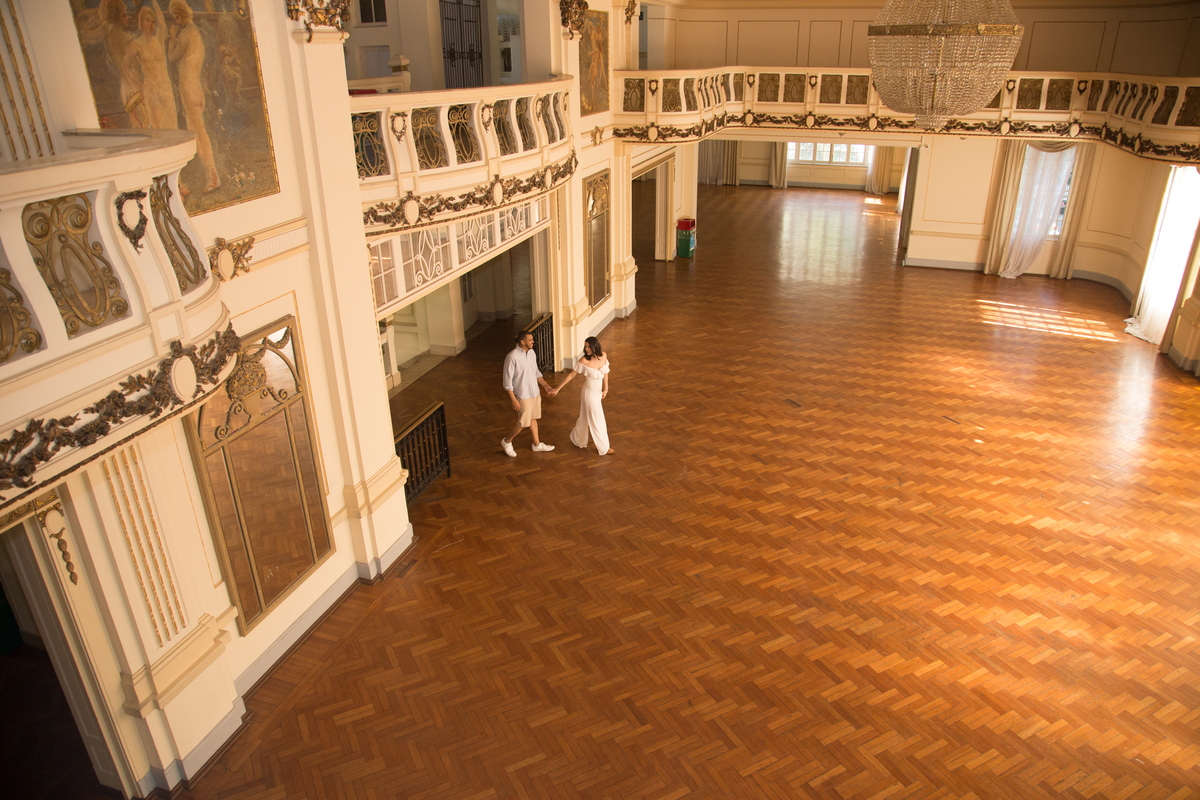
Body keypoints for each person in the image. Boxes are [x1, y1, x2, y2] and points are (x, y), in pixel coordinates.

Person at [167, 0, 220, 194]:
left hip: (189, 89)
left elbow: (172, 57)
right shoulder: (197, 34)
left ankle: (213, 176)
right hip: (197, 89)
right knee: (197, 134)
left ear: (180, 15)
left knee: (199, 134)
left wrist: (172, 38)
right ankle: (206, 175)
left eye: (176, 17)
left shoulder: (186, 34)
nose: (176, 20)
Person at [552, 336, 612, 456]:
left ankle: (577, 438)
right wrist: (558, 388)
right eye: (585, 346)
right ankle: (604, 447)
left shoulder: (603, 355)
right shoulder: (583, 361)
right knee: (597, 418)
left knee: (584, 417)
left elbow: (605, 372)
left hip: (597, 393)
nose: (587, 349)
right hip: (588, 394)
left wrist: (606, 389)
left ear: (595, 346)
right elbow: (571, 376)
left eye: (589, 346)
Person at [501, 331, 556, 457]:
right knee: (523, 423)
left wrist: (545, 386)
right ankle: (506, 441)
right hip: (523, 395)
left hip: (534, 393)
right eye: (530, 340)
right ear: (522, 341)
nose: (533, 341)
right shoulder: (512, 357)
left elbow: (536, 372)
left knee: (533, 419)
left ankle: (536, 445)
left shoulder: (531, 353)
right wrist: (514, 400)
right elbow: (507, 382)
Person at [122, 3, 176, 130]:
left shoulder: (159, 40)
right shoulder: (136, 44)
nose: (151, 24)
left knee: (173, 128)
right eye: (147, 20)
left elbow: (162, 23)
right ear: (141, 22)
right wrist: (140, 86)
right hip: (151, 92)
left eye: (153, 21)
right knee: (161, 129)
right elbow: (126, 67)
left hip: (166, 90)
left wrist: (155, 2)